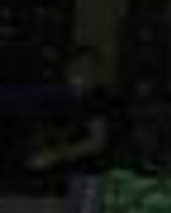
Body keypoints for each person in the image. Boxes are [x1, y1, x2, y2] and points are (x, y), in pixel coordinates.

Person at [28, 46, 115, 176]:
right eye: (76, 67)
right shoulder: (72, 99)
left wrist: (54, 156)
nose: (80, 73)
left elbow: (97, 142)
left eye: (87, 68)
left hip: (95, 175)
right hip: (75, 173)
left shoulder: (98, 99)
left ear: (96, 72)